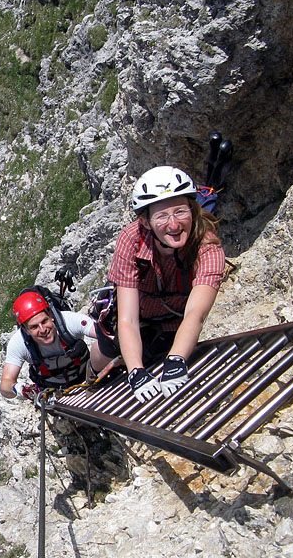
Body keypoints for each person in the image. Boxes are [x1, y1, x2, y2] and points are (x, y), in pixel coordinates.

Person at [89, 165, 225, 403]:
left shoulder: (207, 246)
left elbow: (195, 314)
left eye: (180, 212)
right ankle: (91, 379)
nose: (173, 225)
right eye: (162, 216)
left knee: (161, 355)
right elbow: (127, 319)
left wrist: (176, 360)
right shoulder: (132, 239)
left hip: (172, 322)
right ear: (146, 221)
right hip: (136, 317)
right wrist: (136, 372)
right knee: (107, 350)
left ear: (192, 210)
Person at [1, 287, 96, 402]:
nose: (42, 330)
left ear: (51, 316)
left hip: (88, 379)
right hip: (53, 394)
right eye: (34, 327)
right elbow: (5, 385)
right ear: (25, 330)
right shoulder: (19, 343)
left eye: (44, 321)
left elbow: (103, 334)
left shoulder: (69, 321)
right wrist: (20, 389)